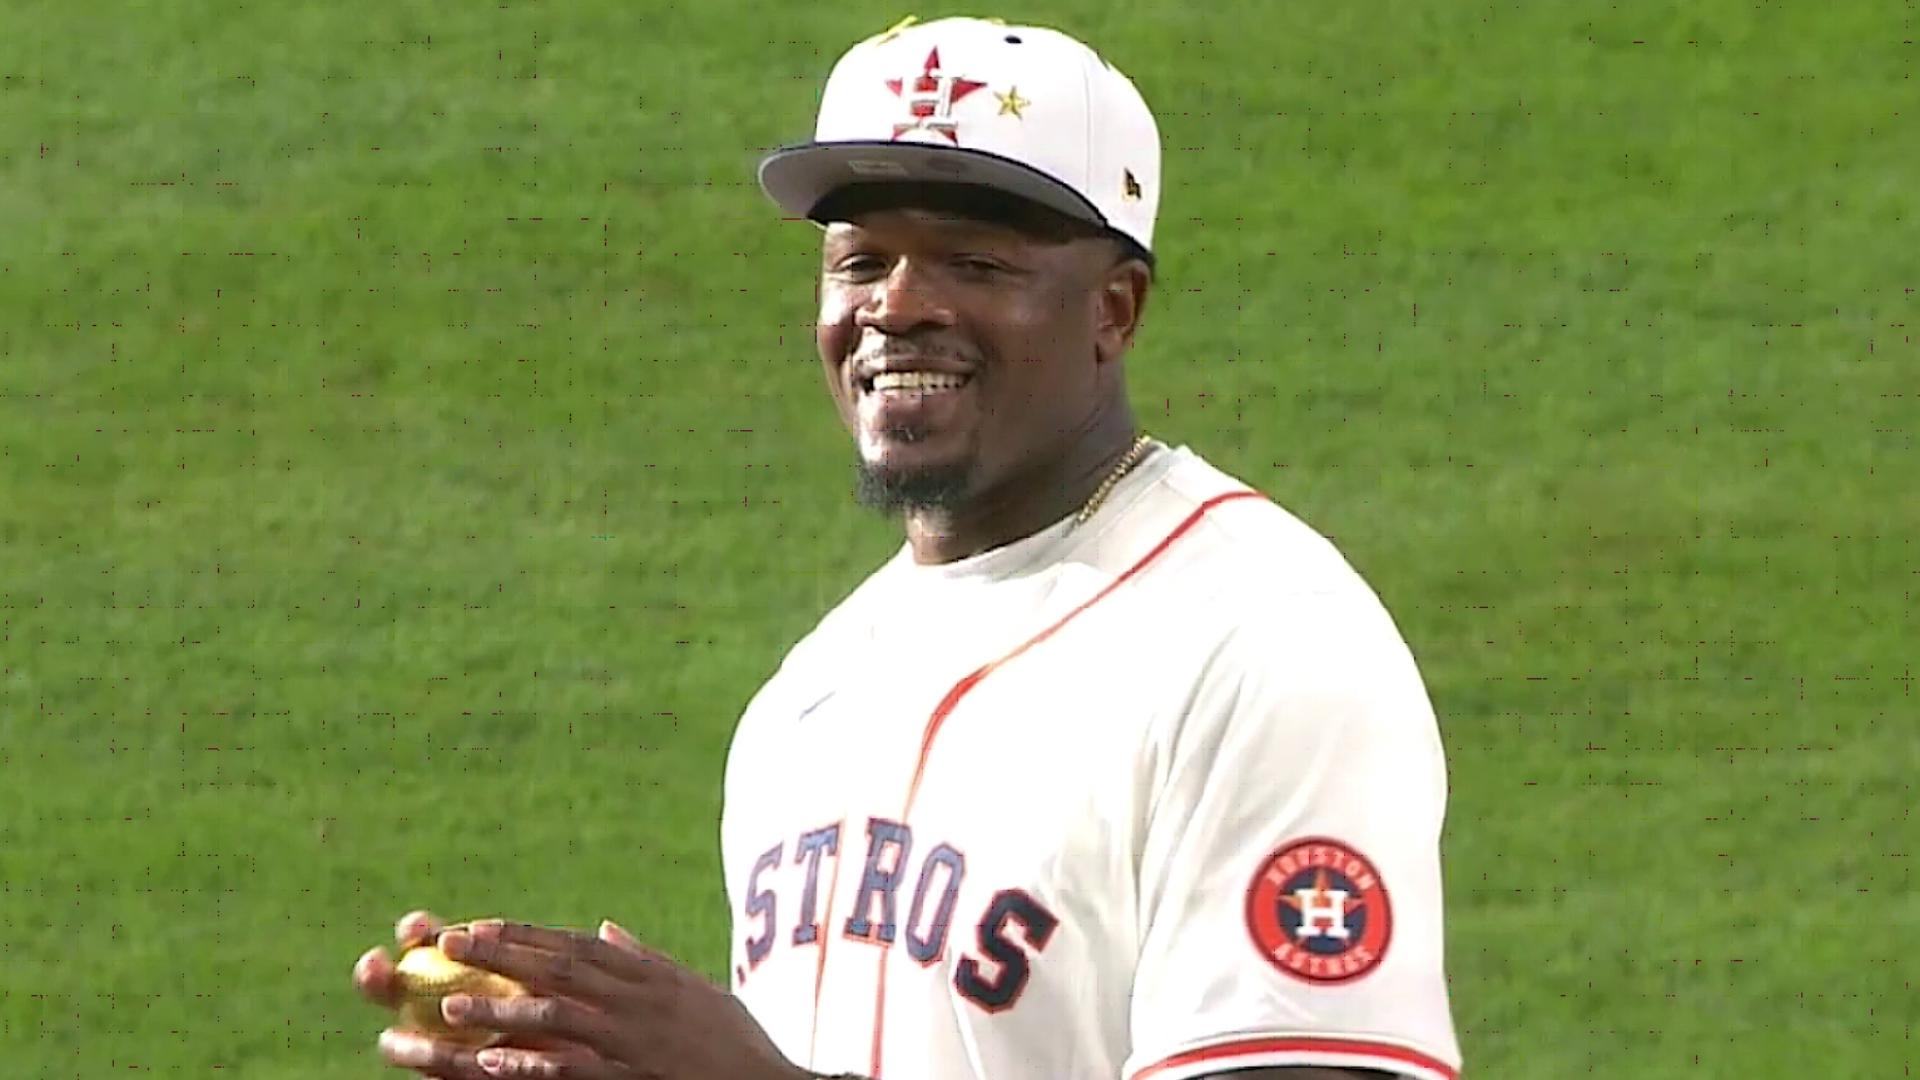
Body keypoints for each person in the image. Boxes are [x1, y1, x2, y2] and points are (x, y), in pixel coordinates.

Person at [353, 16, 1464, 1080]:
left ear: (1114, 310)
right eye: (860, 259)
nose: (898, 305)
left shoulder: (1260, 645)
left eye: (973, 264)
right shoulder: (810, 700)